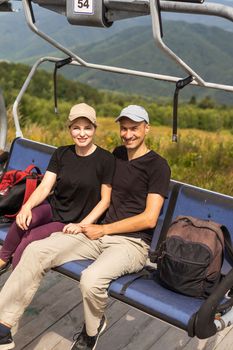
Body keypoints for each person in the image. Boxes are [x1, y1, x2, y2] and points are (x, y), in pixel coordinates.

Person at [0, 105, 171, 350]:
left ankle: (92, 329)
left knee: (91, 279)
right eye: (124, 128)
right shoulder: (117, 156)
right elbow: (103, 195)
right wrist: (87, 225)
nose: (128, 134)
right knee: (36, 250)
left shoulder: (158, 166)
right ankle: (3, 325)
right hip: (96, 234)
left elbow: (149, 218)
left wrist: (103, 229)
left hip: (131, 243)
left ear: (147, 128)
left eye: (134, 128)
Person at [0, 102, 115, 271]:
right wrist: (27, 207)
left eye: (87, 128)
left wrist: (82, 225)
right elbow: (45, 186)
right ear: (70, 129)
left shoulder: (106, 160)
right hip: (53, 209)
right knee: (22, 220)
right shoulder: (62, 153)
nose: (82, 133)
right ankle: (3, 260)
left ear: (94, 129)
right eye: (76, 128)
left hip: (73, 221)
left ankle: (15, 278)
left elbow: (105, 201)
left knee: (30, 240)